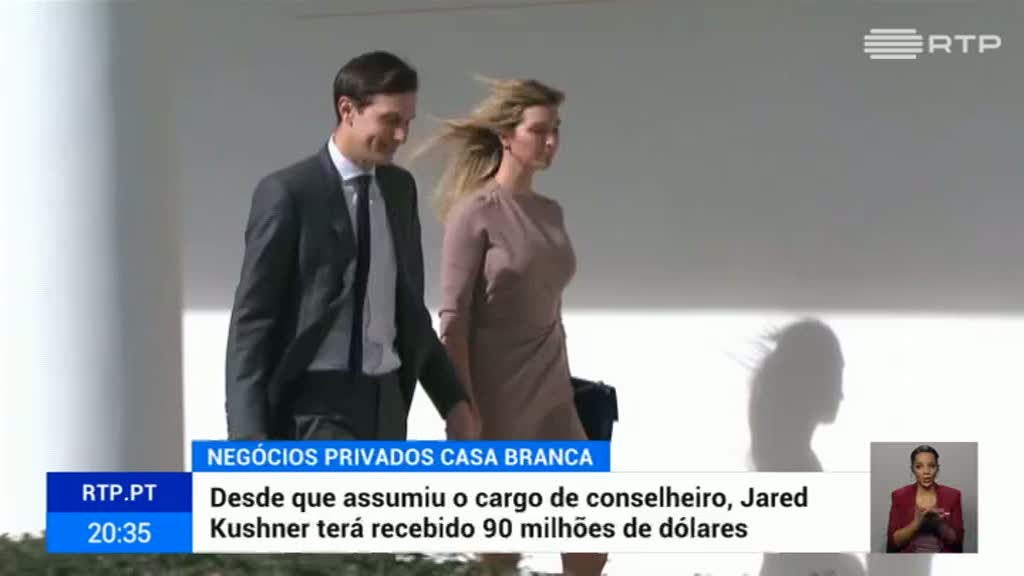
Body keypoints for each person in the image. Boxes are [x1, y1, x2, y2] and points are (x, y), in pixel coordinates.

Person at [225, 51, 476, 442]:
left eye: (407, 122)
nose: (401, 136)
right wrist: (247, 439)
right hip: (316, 410)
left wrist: (453, 401)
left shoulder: (399, 190)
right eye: (390, 120)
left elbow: (409, 310)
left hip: (387, 406)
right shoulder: (289, 194)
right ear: (348, 110)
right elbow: (252, 324)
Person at [418, 77, 606, 575]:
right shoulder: (475, 212)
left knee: (590, 540)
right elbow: (453, 321)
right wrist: (462, 410)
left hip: (553, 391)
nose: (551, 142)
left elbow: (547, 299)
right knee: (502, 549)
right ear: (506, 135)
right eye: (539, 130)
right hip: (495, 397)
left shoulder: (551, 213)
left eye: (556, 130)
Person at [886, 445, 964, 553]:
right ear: (912, 469)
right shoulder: (899, 496)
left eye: (931, 466)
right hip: (909, 560)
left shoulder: (953, 495)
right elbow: (893, 543)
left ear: (937, 468)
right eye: (919, 466)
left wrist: (939, 524)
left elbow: (957, 541)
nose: (926, 471)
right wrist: (917, 523)